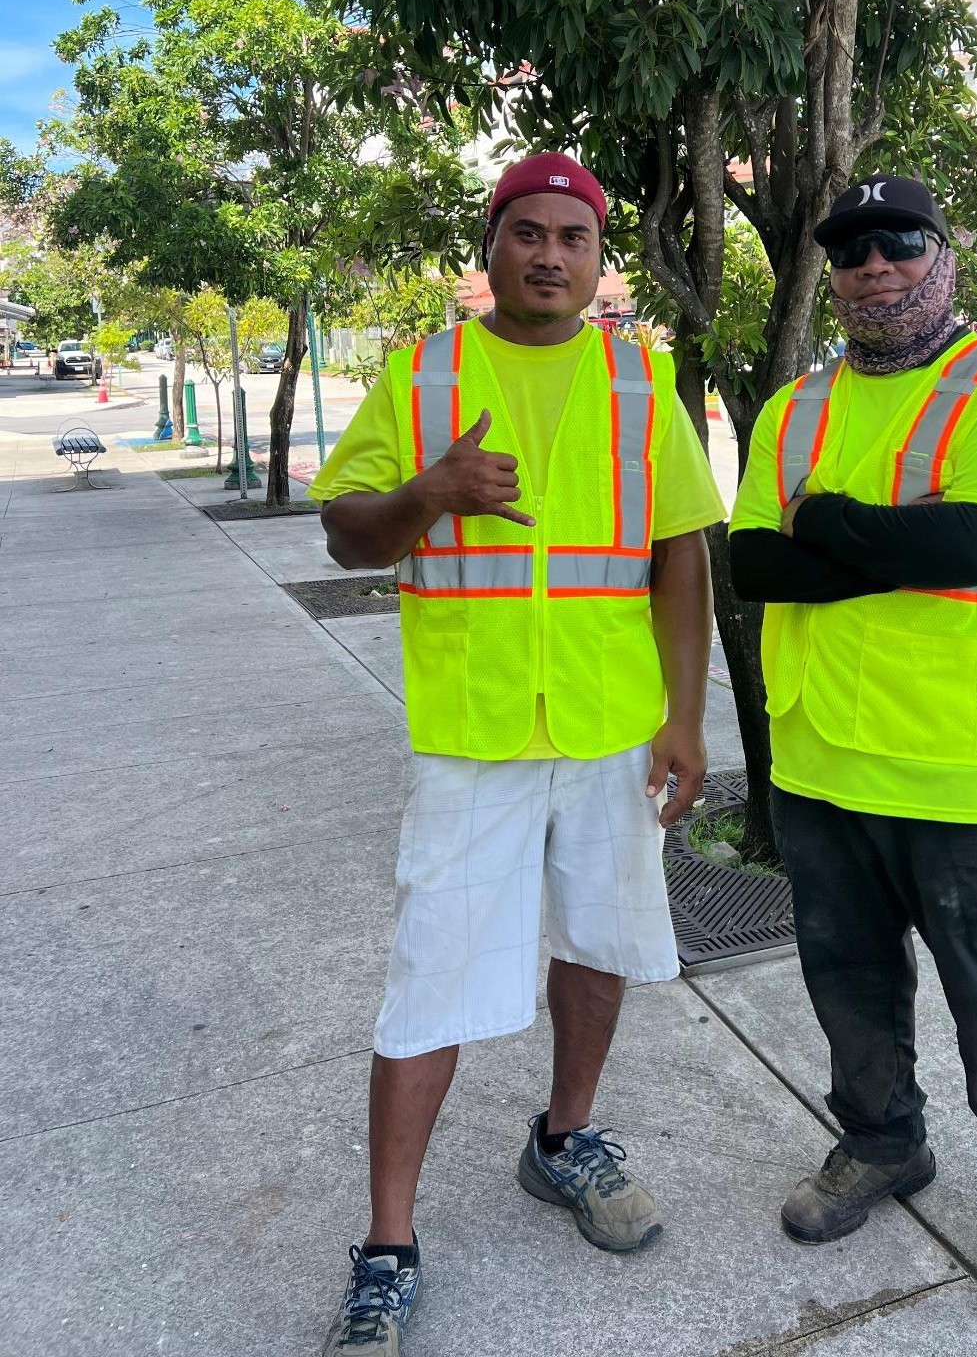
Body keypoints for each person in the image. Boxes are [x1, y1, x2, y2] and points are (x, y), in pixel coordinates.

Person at [311, 152, 726, 1356]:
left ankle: (564, 1137)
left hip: (608, 729)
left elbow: (681, 554)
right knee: (430, 974)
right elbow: (345, 535)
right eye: (527, 232)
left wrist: (687, 717)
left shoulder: (643, 381)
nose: (551, 253)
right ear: (489, 247)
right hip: (474, 734)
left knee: (597, 946)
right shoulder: (423, 374)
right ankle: (388, 1246)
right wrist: (428, 492)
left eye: (574, 238)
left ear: (601, 263)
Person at [728, 173, 977, 1338]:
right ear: (829, 274)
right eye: (850, 249)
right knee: (851, 991)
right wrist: (887, 540)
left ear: (944, 254)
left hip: (963, 770)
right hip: (824, 763)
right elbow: (754, 565)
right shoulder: (794, 411)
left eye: (900, 241)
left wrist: (826, 522)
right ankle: (883, 1143)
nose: (875, 264)